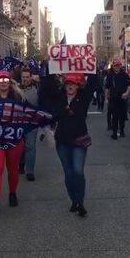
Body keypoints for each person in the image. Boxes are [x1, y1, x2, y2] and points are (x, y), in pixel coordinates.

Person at [53, 73, 96, 217]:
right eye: (67, 84)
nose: (70, 86)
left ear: (78, 86)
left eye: (73, 83)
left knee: (78, 171)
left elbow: (92, 85)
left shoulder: (83, 98)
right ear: (64, 86)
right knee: (69, 172)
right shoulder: (59, 98)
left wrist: (91, 66)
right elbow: (48, 88)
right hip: (63, 141)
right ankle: (73, 199)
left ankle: (80, 202)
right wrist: (48, 68)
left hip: (79, 139)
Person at [0, 70, 25, 214]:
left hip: (14, 140)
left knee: (13, 169)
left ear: (10, 82)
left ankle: (12, 193)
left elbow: (28, 114)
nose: (3, 83)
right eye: (0, 80)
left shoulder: (19, 98)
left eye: (5, 80)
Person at [19, 68, 40, 181]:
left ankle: (30, 171)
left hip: (32, 122)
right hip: (17, 122)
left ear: (31, 77)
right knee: (19, 145)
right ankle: (21, 163)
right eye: (23, 77)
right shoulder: (16, 89)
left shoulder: (37, 88)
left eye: (27, 77)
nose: (25, 79)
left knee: (30, 146)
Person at [105, 58, 130, 140]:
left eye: (118, 65)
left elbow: (129, 85)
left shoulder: (125, 75)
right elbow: (107, 87)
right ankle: (114, 133)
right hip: (113, 98)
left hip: (122, 98)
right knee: (114, 116)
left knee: (122, 116)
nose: (117, 67)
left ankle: (122, 130)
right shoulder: (110, 75)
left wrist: (126, 93)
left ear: (120, 66)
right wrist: (106, 98)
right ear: (113, 66)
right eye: (115, 65)